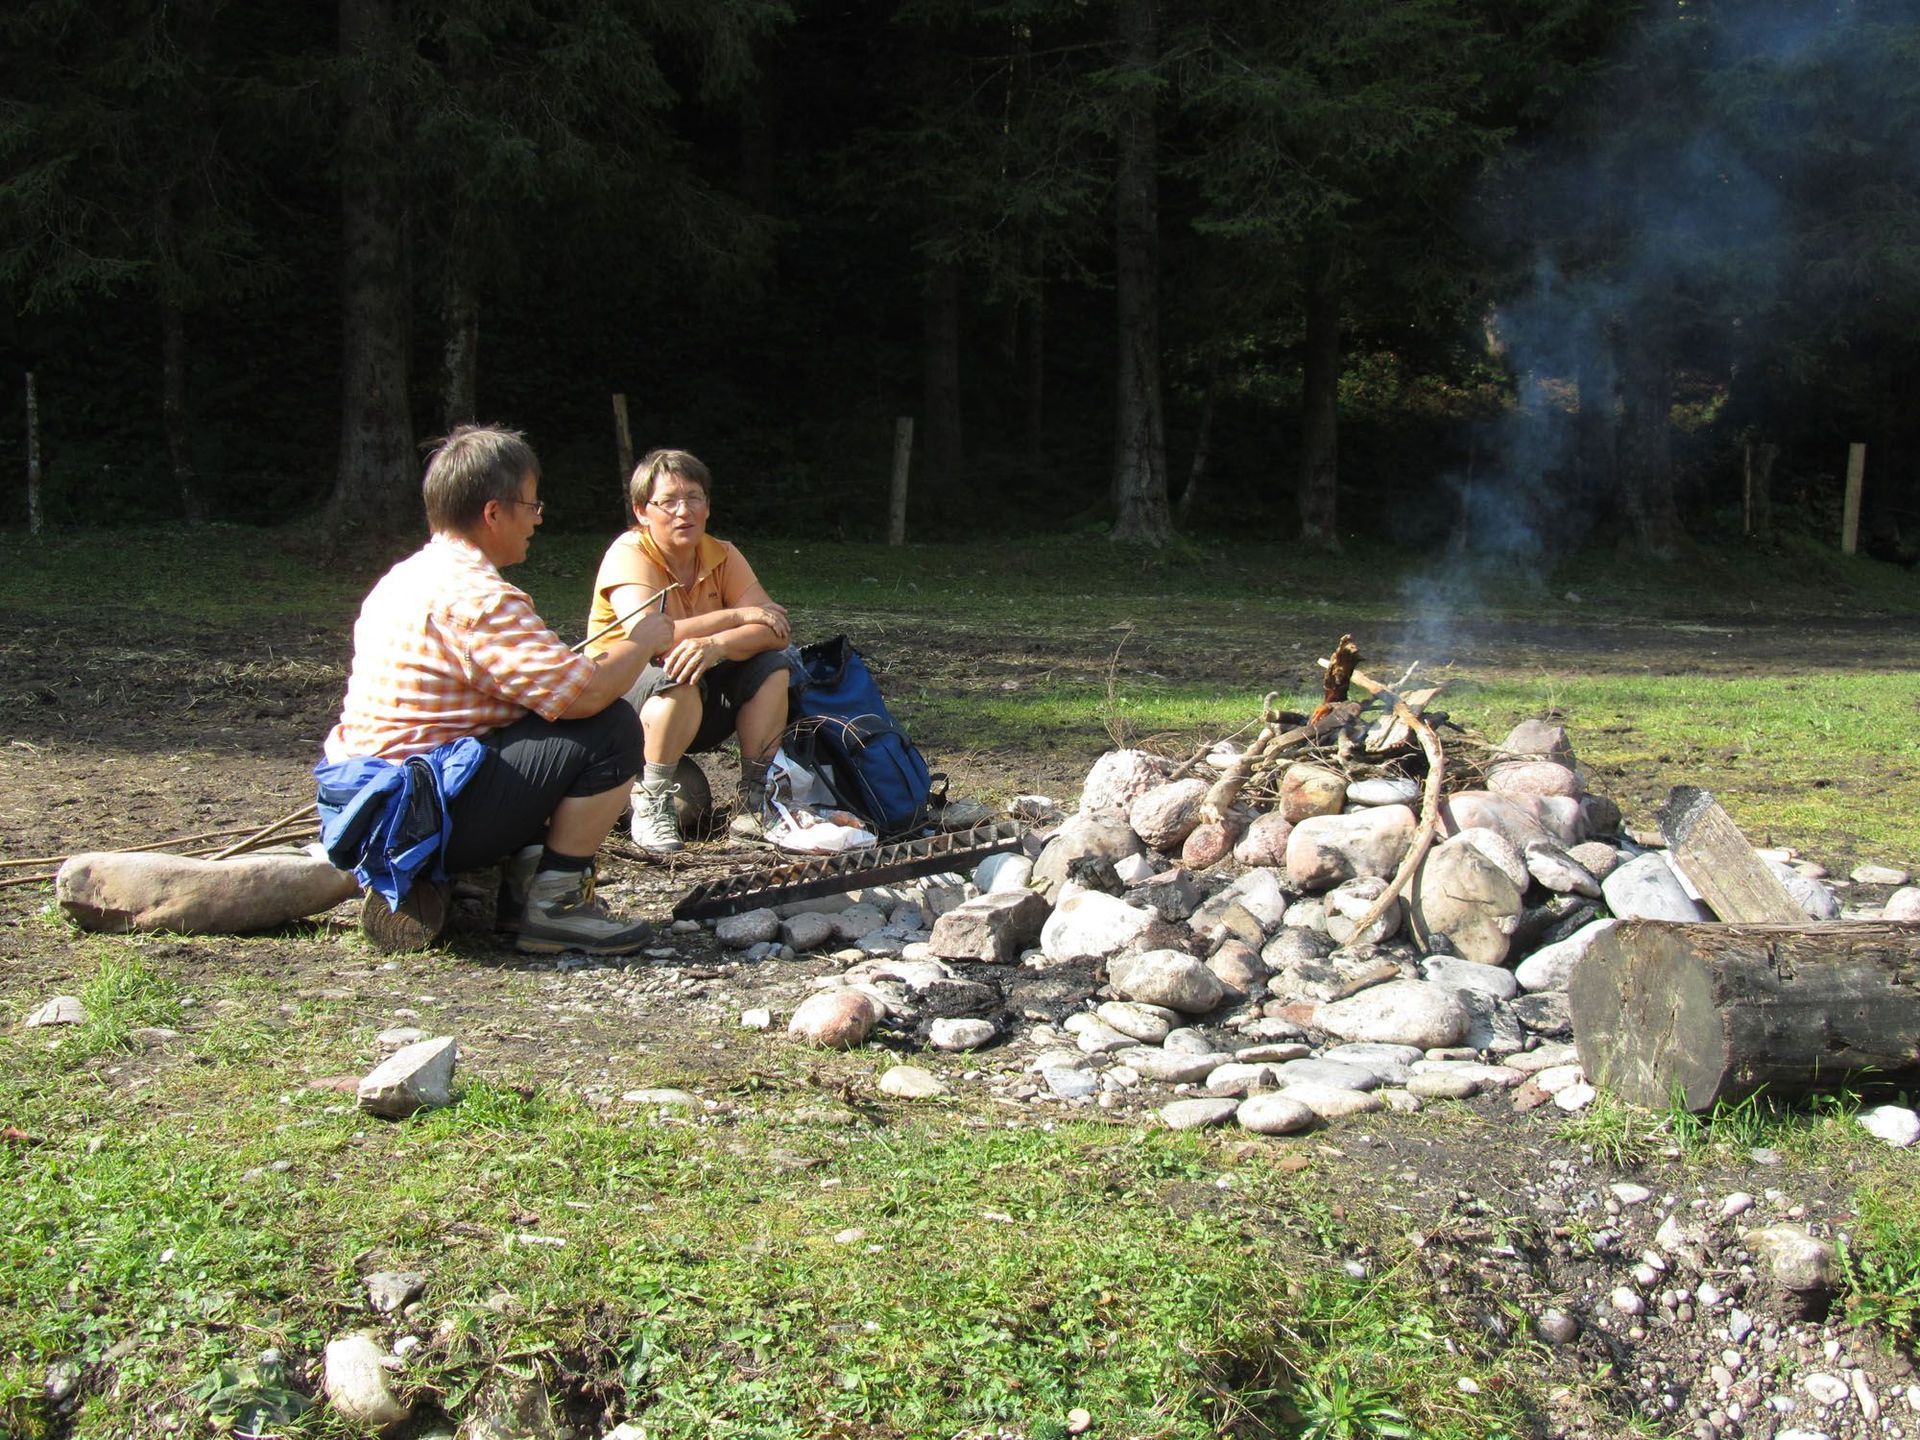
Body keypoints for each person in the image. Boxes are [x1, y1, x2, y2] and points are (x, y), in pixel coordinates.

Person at [317, 425, 672, 955]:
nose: (537, 519)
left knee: (537, 723)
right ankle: (557, 905)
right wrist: (642, 640)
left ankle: (521, 887)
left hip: (366, 807)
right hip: (412, 817)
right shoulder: (479, 598)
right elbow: (587, 695)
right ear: (492, 513)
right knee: (611, 726)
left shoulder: (404, 576)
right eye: (531, 505)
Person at [584, 449, 791, 853]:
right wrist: (735, 617)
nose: (684, 511)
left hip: (693, 702)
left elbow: (774, 631)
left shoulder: (722, 553)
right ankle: (650, 799)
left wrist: (716, 645)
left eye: (694, 498)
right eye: (669, 502)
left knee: (772, 667)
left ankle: (755, 800)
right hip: (621, 704)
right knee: (678, 676)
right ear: (642, 511)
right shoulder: (629, 553)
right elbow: (650, 635)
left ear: (708, 506)